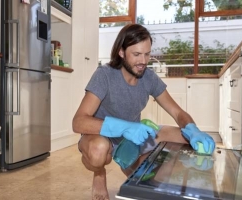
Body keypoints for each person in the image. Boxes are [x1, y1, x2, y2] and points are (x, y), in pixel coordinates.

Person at [72, 23, 215, 200]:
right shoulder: (104, 75)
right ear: (121, 52)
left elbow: (178, 113)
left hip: (133, 137)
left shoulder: (149, 78)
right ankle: (99, 174)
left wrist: (193, 129)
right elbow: (78, 122)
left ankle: (134, 166)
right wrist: (123, 128)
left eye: (147, 54)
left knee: (185, 138)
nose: (143, 61)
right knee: (98, 151)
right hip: (102, 136)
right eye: (137, 54)